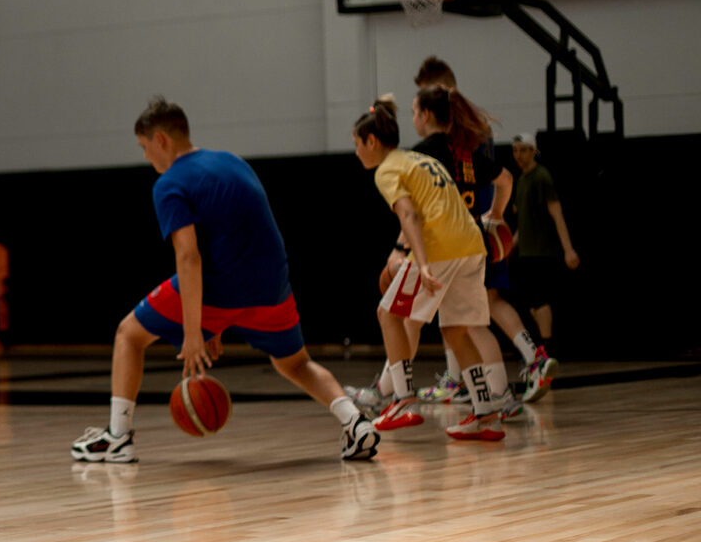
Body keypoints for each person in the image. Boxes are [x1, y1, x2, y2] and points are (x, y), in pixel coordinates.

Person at [71, 98, 383, 464]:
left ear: (160, 139)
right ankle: (355, 423)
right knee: (295, 363)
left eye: (144, 148)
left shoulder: (169, 183)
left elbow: (188, 256)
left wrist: (193, 333)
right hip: (273, 284)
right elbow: (244, 231)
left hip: (221, 287)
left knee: (128, 334)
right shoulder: (233, 161)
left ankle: (118, 438)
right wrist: (212, 326)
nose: (145, 158)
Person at [352, 99, 513, 441]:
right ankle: (486, 414)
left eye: (357, 144)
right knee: (457, 331)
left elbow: (409, 215)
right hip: (472, 245)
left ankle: (402, 399)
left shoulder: (389, 169)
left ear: (372, 142)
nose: (356, 152)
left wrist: (422, 263)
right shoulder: (421, 159)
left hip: (441, 247)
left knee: (388, 315)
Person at [509, 133, 577, 398]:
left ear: (533, 151)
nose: (518, 155)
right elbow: (521, 223)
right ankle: (541, 351)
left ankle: (546, 350)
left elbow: (556, 213)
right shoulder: (521, 181)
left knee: (541, 300)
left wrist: (568, 248)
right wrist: (509, 247)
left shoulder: (541, 177)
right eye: (515, 150)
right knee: (531, 303)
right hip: (525, 252)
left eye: (523, 150)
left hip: (543, 252)